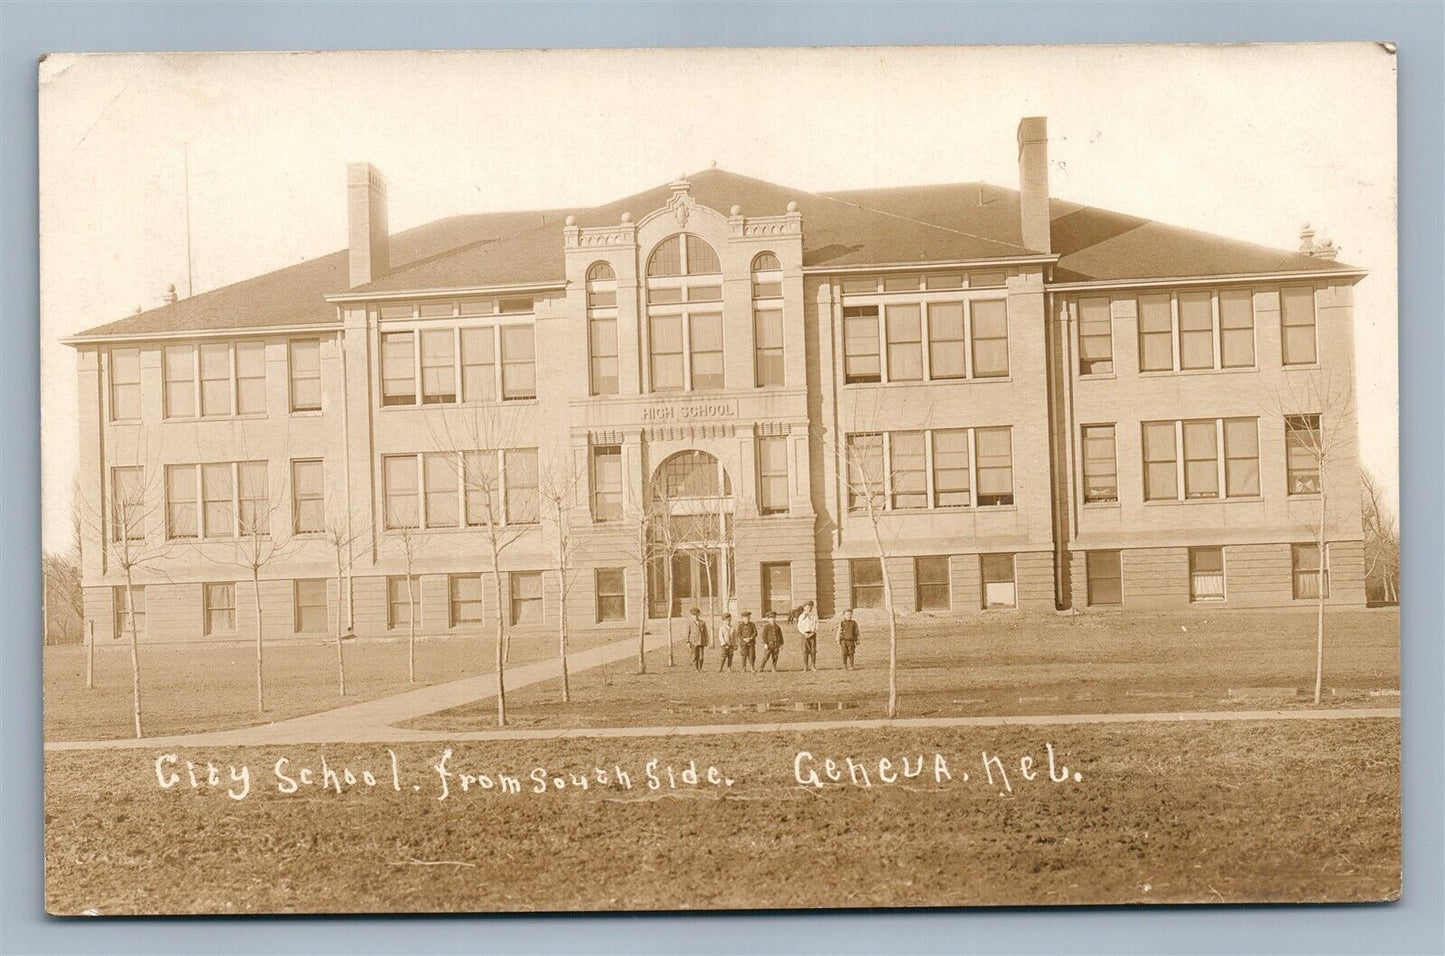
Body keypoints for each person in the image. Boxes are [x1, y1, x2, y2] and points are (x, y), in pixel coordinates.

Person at [796, 600, 819, 670]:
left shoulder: (814, 616)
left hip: (812, 634)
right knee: (805, 651)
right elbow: (799, 626)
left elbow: (817, 625)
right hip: (804, 635)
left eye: (810, 607)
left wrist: (813, 632)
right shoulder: (801, 617)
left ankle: (813, 666)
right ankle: (805, 666)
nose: (808, 609)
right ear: (804, 608)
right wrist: (804, 633)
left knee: (813, 651)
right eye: (807, 607)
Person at [685, 607, 708, 671]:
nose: (695, 616)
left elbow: (705, 632)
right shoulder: (690, 623)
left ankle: (701, 668)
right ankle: (696, 668)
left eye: (696, 614)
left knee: (701, 657)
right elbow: (688, 633)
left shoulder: (702, 622)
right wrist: (688, 642)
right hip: (694, 642)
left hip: (701, 641)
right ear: (691, 615)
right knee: (695, 656)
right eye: (693, 615)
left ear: (699, 614)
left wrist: (706, 640)